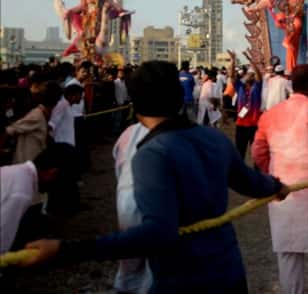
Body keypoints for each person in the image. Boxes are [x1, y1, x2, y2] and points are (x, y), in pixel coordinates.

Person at [20, 60, 290, 293]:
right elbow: (250, 182)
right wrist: (276, 186)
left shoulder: (152, 153)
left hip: (182, 281)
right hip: (228, 272)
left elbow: (157, 233)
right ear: (177, 96)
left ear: (135, 104)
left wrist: (65, 250)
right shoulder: (215, 138)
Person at [253, 64, 308, 294]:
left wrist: (272, 175)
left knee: (288, 255)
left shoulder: (270, 116)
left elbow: (258, 153)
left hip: (280, 192)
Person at [1, 143, 74, 254]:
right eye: (61, 182)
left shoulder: (16, 172)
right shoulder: (21, 192)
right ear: (52, 173)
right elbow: (2, 237)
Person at [112, 120, 152, 294]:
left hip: (126, 199)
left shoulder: (128, 133)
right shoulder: (178, 136)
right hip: (150, 203)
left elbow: (118, 167)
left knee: (129, 262)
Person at [3, 82, 59, 164]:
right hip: (26, 162)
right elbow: (10, 130)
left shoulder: (42, 114)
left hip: (34, 160)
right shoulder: (37, 115)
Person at [234, 67, 263, 162]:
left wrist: (254, 64)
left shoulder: (257, 87)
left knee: (256, 152)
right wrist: (232, 61)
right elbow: (232, 76)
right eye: (248, 74)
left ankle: (257, 174)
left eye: (252, 74)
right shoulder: (240, 87)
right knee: (239, 152)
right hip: (241, 124)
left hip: (254, 125)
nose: (250, 75)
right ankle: (240, 172)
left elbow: (259, 76)